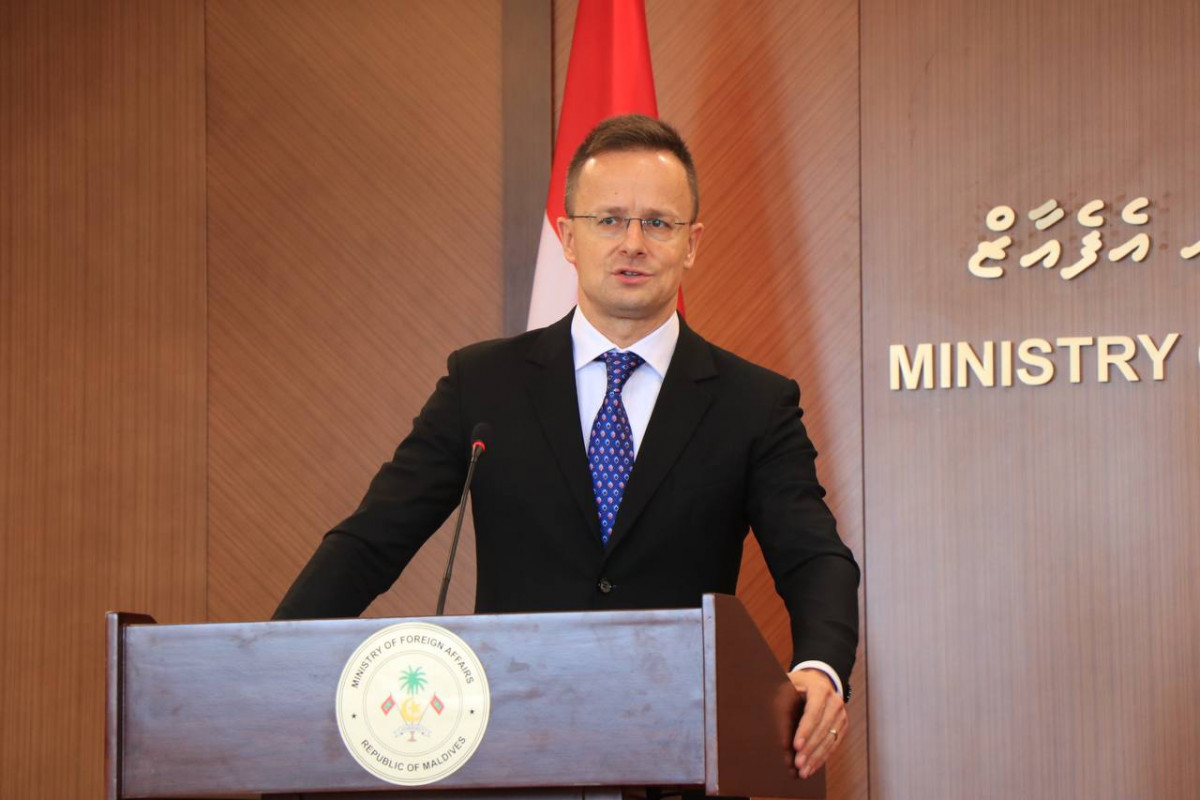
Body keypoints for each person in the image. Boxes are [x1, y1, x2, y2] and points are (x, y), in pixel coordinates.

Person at [274, 114, 859, 779]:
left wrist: (821, 668)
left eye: (658, 223)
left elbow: (816, 559)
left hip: (679, 752)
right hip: (505, 749)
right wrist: (266, 662)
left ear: (692, 244)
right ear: (567, 236)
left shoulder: (753, 401)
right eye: (609, 220)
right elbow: (372, 539)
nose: (632, 243)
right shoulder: (483, 384)